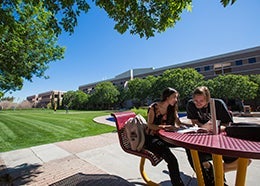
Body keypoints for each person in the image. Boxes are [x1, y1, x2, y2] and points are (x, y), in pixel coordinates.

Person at [185, 86, 239, 186]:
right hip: (202, 137)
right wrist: (203, 127)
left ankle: (217, 173)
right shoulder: (191, 104)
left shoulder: (217, 104)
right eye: (195, 100)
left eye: (201, 100)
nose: (198, 103)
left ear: (208, 98)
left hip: (220, 137)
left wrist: (217, 128)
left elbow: (227, 124)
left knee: (243, 161)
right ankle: (207, 177)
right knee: (191, 150)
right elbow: (194, 121)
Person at [145, 87, 189, 186]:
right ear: (167, 97)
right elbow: (149, 125)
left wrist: (192, 126)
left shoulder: (172, 107)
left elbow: (179, 122)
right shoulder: (154, 107)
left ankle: (204, 173)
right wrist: (164, 127)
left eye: (177, 97)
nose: (176, 100)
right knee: (172, 160)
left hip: (165, 138)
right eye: (174, 97)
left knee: (189, 146)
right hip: (152, 138)